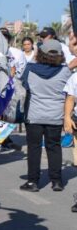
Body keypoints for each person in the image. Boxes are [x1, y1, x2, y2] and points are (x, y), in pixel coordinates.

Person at [20, 39, 69, 192]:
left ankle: (33, 182)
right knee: (54, 147)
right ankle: (57, 181)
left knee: (34, 148)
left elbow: (23, 86)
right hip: (55, 115)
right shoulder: (65, 71)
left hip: (34, 115)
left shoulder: (30, 69)